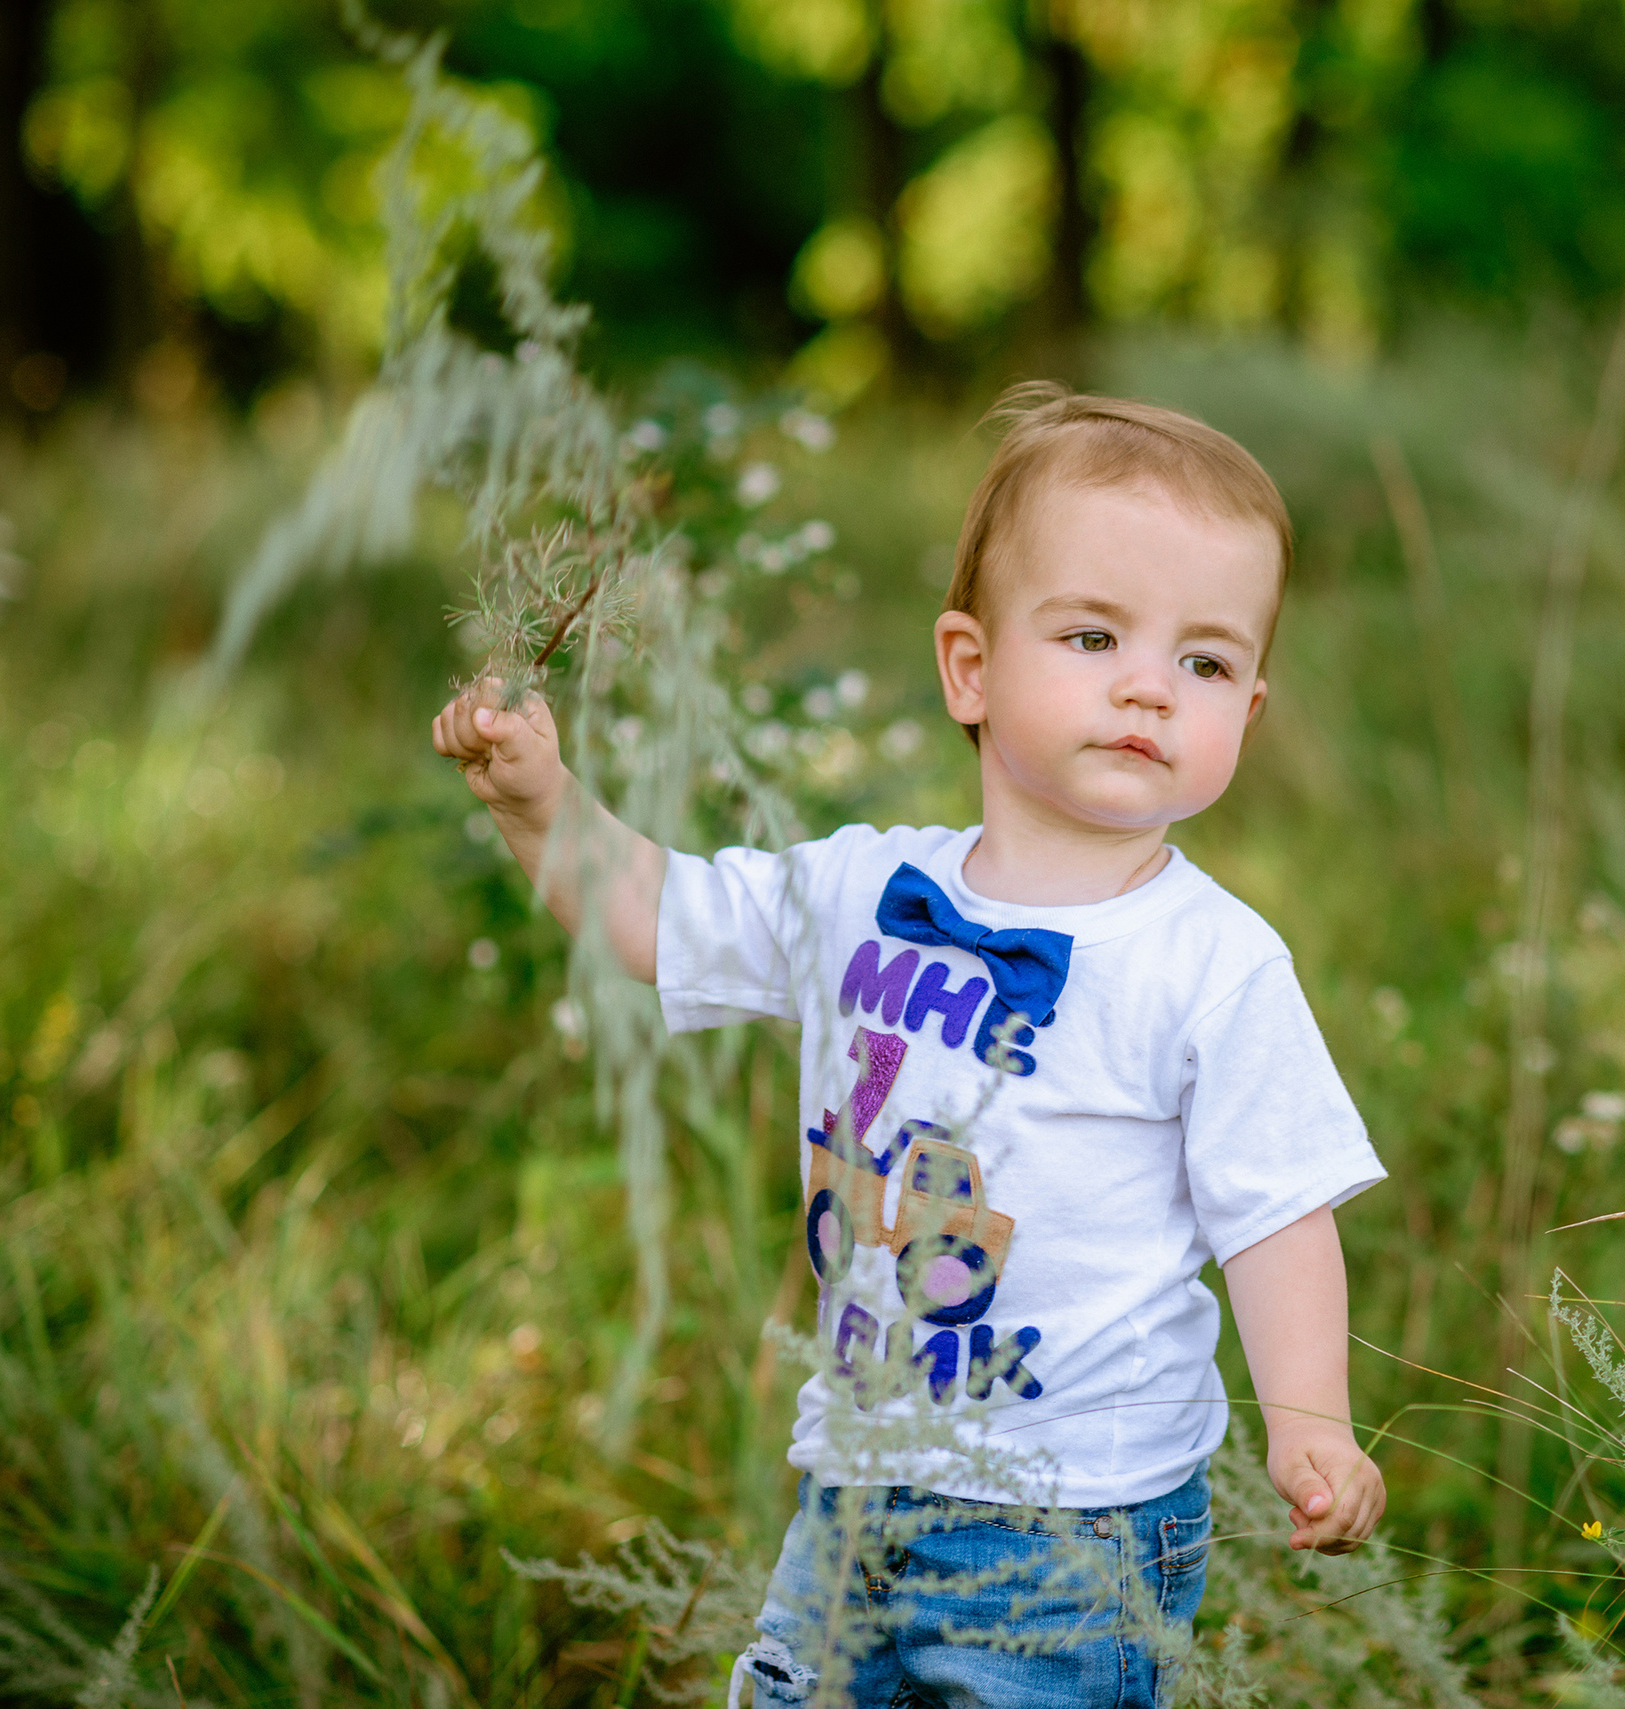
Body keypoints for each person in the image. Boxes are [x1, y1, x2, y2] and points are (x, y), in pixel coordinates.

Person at [430, 384, 1387, 1706]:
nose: (1147, 687)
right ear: (971, 667)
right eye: (1096, 632)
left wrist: (1312, 1420)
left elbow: (1277, 1209)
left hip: (1075, 1525)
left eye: (1206, 661)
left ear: (1249, 713)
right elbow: (667, 918)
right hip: (857, 1485)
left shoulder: (1213, 964)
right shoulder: (858, 892)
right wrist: (543, 807)